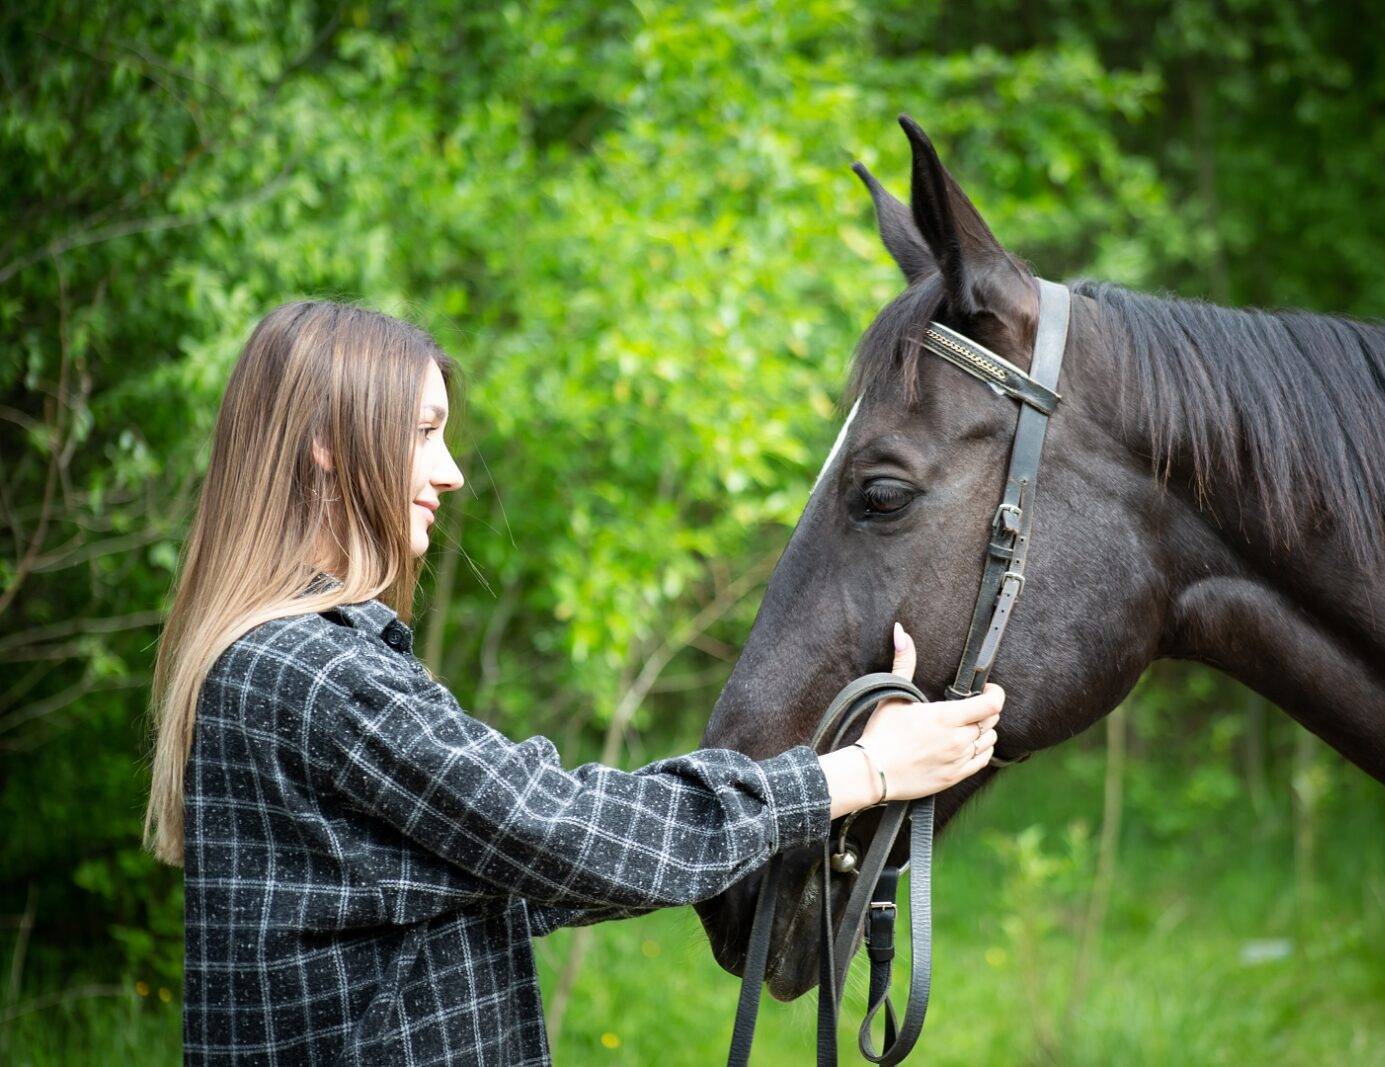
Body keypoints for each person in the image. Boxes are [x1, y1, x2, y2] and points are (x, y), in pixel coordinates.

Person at [143, 300, 1005, 1064]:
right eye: (421, 431)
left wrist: (774, 821)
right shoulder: (318, 674)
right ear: (329, 442)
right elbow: (564, 833)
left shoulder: (273, 661)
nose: (450, 471)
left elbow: (521, 869)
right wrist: (861, 773)